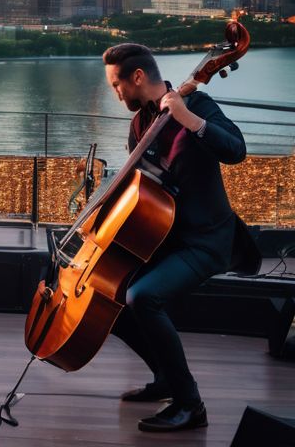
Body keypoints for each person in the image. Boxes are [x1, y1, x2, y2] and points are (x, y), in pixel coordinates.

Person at [102, 42, 259, 433]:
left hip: (207, 239)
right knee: (110, 295)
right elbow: (140, 187)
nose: (116, 94)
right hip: (164, 237)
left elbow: (237, 150)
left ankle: (190, 404)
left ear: (137, 77)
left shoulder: (198, 104)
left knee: (144, 297)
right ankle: (166, 379)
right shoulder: (140, 124)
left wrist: (188, 118)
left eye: (116, 85)